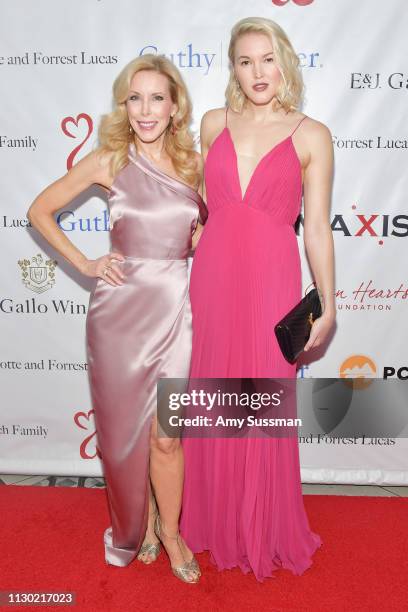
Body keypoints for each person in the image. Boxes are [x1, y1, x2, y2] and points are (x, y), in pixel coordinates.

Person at [27, 54, 207, 583]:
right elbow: (40, 210)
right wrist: (84, 262)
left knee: (168, 435)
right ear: (123, 106)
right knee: (124, 435)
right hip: (119, 317)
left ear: (175, 107)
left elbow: (211, 231)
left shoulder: (195, 164)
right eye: (135, 98)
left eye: (157, 98)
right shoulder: (110, 160)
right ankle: (141, 526)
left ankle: (171, 531)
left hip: (178, 311)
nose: (145, 109)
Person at [180, 17, 335, 581]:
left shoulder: (310, 133)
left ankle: (263, 526)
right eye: (245, 61)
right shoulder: (212, 122)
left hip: (272, 277)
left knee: (264, 396)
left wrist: (328, 303)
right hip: (214, 275)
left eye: (267, 59)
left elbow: (316, 227)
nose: (257, 72)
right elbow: (200, 206)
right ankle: (214, 521)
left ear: (285, 61)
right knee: (215, 389)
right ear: (232, 68)